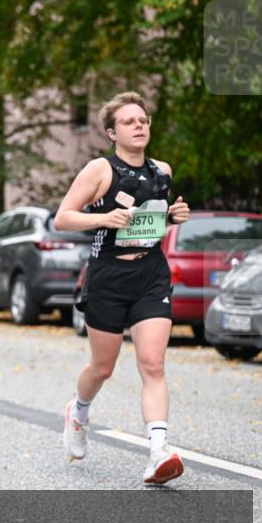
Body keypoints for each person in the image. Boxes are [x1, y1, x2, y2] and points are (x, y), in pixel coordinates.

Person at [54, 91, 191, 485]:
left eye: (143, 120)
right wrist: (105, 219)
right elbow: (63, 218)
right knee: (103, 367)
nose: (139, 126)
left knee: (153, 363)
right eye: (130, 122)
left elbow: (156, 219)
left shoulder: (162, 171)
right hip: (108, 277)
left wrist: (175, 214)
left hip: (151, 274)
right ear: (113, 133)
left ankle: (158, 452)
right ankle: (78, 412)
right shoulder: (100, 169)